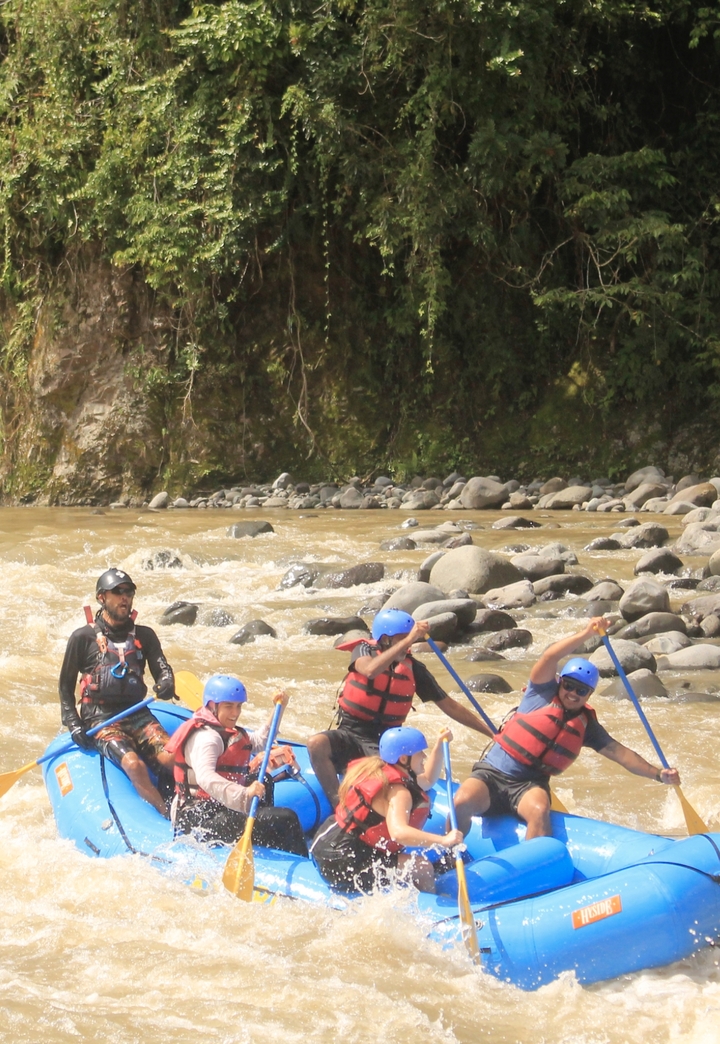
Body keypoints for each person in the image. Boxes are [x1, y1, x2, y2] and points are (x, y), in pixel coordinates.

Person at [452, 617, 680, 840]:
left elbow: (621, 754)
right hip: (492, 773)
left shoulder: (587, 725)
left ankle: (535, 871)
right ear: (560, 682)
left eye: (581, 691)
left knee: (540, 811)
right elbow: (551, 655)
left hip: (529, 785)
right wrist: (587, 633)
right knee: (461, 800)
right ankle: (450, 855)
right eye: (569, 685)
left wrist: (659, 774)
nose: (572, 693)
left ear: (589, 695)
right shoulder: (540, 692)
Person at [308, 608, 494, 808]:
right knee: (316, 743)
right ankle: (338, 805)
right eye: (402, 639)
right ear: (385, 640)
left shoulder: (414, 669)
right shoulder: (363, 651)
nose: (408, 645)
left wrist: (492, 732)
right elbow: (370, 671)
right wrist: (412, 636)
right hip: (350, 733)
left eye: (410, 640)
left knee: (386, 781)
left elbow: (449, 705)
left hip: (384, 743)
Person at [58, 568, 176, 816]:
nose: (125, 597)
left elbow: (162, 669)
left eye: (129, 592)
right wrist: (73, 724)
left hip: (137, 714)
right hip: (100, 717)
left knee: (171, 759)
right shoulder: (82, 638)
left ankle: (184, 804)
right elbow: (65, 687)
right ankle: (165, 814)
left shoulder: (145, 635)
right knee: (134, 764)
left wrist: (167, 682)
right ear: (102, 597)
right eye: (118, 592)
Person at [165, 675, 307, 855]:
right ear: (211, 705)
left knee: (263, 779)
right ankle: (296, 858)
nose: (235, 713)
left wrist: (279, 709)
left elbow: (259, 742)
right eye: (228, 706)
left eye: (238, 706)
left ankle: (263, 841)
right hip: (197, 818)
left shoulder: (222, 729)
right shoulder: (207, 738)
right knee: (287, 818)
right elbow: (205, 778)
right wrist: (244, 793)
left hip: (218, 807)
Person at [310, 725, 463, 893]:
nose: (424, 756)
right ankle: (435, 910)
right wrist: (443, 840)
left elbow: (427, 779)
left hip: (327, 844)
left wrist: (440, 746)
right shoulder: (399, 793)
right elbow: (399, 833)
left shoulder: (380, 770)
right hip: (343, 860)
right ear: (404, 759)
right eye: (420, 752)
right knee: (422, 868)